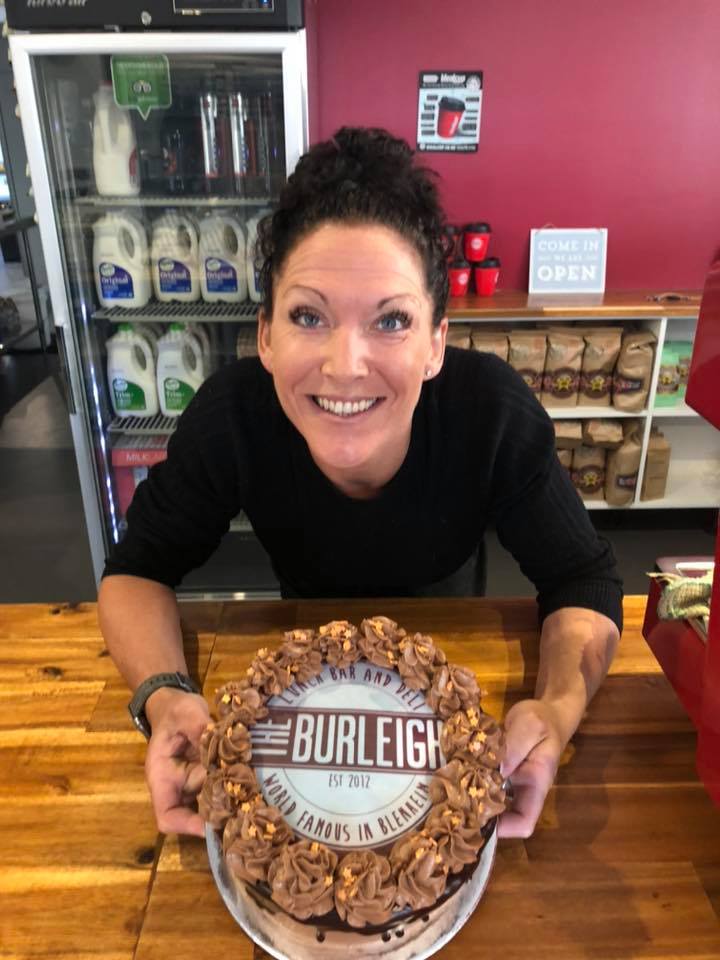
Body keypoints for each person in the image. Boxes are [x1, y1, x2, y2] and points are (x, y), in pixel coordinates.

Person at [99, 127, 622, 843]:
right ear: (266, 336)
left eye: (391, 320)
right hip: (298, 695)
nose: (345, 366)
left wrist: (557, 710)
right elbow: (136, 571)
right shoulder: (233, 417)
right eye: (308, 316)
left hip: (450, 679)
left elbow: (583, 577)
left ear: (435, 343)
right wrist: (163, 698)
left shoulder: (489, 413)